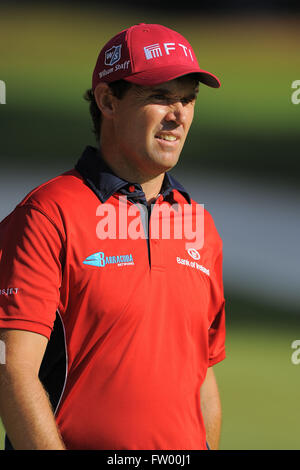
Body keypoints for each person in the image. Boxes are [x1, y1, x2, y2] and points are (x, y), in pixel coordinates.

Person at [0, 23, 226, 450]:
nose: (178, 115)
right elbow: (12, 369)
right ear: (108, 100)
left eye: (188, 99)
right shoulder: (49, 214)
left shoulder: (199, 225)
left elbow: (203, 379)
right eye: (160, 97)